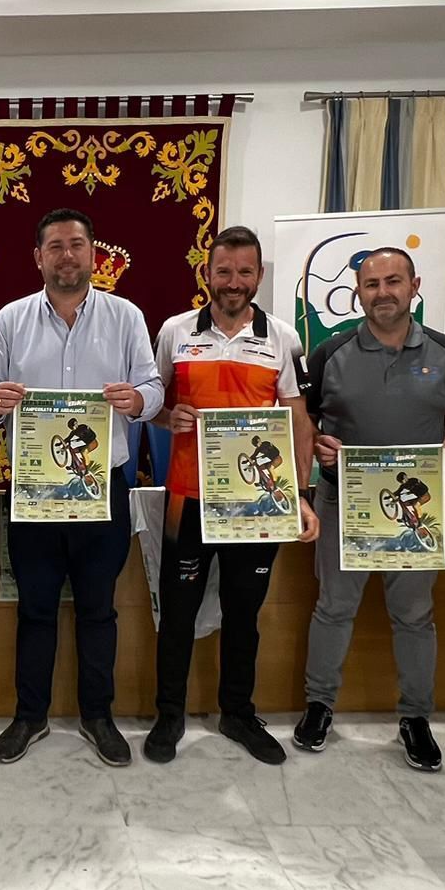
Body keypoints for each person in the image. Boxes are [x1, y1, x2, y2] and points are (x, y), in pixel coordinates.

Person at [0, 207, 164, 766]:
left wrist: (139, 401)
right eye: (54, 246)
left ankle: (97, 716)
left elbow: (152, 385)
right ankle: (29, 716)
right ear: (38, 257)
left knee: (98, 609)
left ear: (92, 251)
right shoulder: (11, 319)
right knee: (34, 608)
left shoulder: (125, 315)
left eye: (76, 244)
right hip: (34, 488)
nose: (66, 255)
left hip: (103, 487)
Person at [294, 247, 445, 769]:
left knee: (415, 616)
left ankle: (415, 718)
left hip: (418, 509)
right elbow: (303, 423)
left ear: (414, 285)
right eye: (372, 284)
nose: (383, 292)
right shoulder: (329, 353)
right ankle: (319, 707)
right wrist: (316, 450)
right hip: (343, 502)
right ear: (358, 293)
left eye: (393, 281)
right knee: (333, 608)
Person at [145, 225, 319, 766]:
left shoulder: (283, 339)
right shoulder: (175, 330)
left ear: (259, 276)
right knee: (178, 612)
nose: (234, 282)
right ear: (207, 273)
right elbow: (150, 400)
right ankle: (168, 714)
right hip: (188, 499)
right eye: (224, 271)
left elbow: (297, 421)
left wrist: (302, 495)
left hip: (258, 504)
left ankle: (237, 713)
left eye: (245, 272)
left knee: (245, 614)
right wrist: (167, 414)